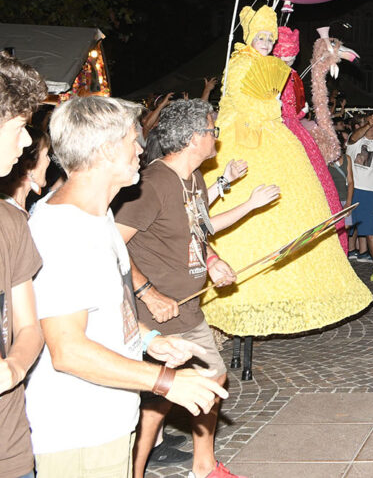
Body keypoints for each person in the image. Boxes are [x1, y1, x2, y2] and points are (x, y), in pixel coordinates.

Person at [25, 97, 227, 475]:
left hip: (109, 419)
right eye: (132, 139)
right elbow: (68, 351)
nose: (140, 148)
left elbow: (106, 312)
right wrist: (167, 382)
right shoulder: (64, 231)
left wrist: (151, 340)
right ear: (103, 150)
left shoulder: (98, 217)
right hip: (79, 432)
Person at [116, 99, 280, 478]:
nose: (216, 139)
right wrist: (146, 293)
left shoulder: (193, 179)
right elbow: (111, 241)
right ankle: (134, 473)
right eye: (212, 131)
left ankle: (204, 466)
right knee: (159, 401)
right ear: (194, 139)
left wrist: (212, 261)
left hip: (187, 306)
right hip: (155, 313)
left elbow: (197, 232)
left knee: (210, 378)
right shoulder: (153, 183)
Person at [200, 6, 371, 341]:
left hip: (276, 134)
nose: (265, 42)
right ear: (251, 37)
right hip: (243, 136)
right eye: (260, 37)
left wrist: (274, 105)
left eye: (269, 38)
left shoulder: (277, 69)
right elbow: (246, 103)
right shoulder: (240, 64)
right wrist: (268, 105)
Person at [0, 55, 46, 478]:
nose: (26, 142)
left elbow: (29, 328)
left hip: (11, 451)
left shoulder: (12, 223)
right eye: (17, 128)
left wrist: (14, 366)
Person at [273, 27, 347, 252]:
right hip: (279, 129)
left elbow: (297, 105)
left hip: (296, 125)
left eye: (293, 55)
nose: (290, 58)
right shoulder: (271, 74)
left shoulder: (293, 76)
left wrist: (299, 111)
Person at [346, 111, 373, 275]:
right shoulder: (356, 141)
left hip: (370, 192)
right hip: (351, 191)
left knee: (370, 231)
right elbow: (353, 138)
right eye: (372, 123)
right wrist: (369, 123)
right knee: (345, 228)